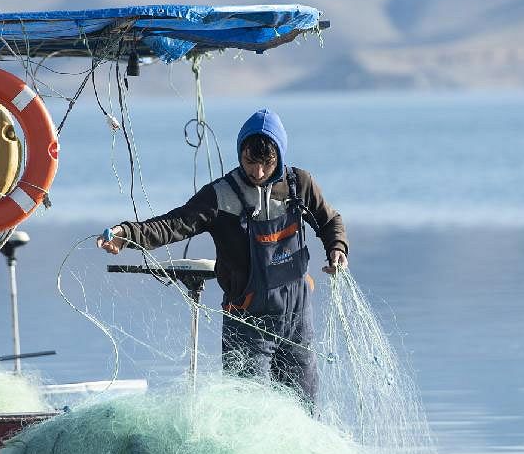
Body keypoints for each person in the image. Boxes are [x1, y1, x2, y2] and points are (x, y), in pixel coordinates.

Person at [97, 108, 347, 405]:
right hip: (247, 323)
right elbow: (171, 225)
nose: (258, 172)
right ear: (240, 153)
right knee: (244, 411)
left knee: (304, 407)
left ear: (279, 155)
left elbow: (330, 221)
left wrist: (337, 248)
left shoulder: (299, 184)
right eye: (250, 162)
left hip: (296, 319)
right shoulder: (220, 195)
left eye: (267, 164)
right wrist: (127, 234)